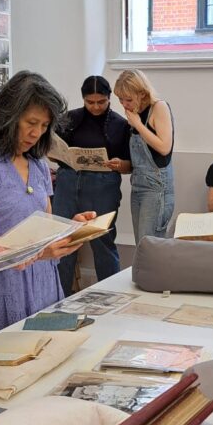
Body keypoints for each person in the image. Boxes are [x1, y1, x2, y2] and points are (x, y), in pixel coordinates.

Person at [0, 71, 94, 343]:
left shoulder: (38, 165)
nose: (36, 133)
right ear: (8, 116)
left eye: (44, 125)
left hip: (45, 285)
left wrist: (72, 229)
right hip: (5, 291)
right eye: (31, 123)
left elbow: (46, 228)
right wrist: (41, 252)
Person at [51, 75, 131, 295]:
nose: (96, 106)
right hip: (68, 182)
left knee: (103, 241)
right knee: (62, 240)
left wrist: (119, 164)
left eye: (101, 102)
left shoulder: (120, 124)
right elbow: (54, 150)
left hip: (103, 186)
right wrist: (55, 155)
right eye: (90, 102)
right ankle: (58, 297)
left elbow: (130, 165)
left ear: (109, 98)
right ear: (83, 99)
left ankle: (110, 295)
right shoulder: (69, 118)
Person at [113, 70, 174, 243]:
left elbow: (164, 147)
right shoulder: (135, 114)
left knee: (150, 246)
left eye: (128, 99)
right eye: (120, 99)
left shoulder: (158, 107)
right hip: (138, 185)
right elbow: (139, 160)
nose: (124, 105)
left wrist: (138, 125)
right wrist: (122, 164)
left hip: (156, 188)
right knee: (141, 244)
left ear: (142, 93)